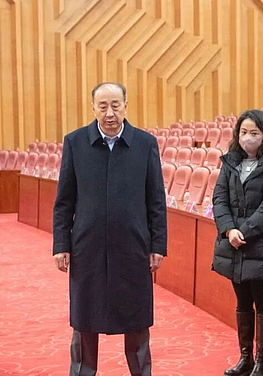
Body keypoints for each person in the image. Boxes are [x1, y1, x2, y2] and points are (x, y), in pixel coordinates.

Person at [52, 82, 167, 376]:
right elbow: (64, 201)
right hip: (87, 247)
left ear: (126, 105)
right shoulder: (76, 142)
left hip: (133, 247)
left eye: (115, 105)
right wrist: (61, 245)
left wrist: (157, 246)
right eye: (102, 106)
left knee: (137, 320)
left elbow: (156, 200)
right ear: (93, 108)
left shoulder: (145, 144)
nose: (109, 113)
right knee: (84, 321)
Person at [212, 109, 263, 376]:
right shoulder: (231, 162)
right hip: (233, 243)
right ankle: (245, 358)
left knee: (262, 301)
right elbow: (219, 198)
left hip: (260, 244)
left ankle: (261, 362)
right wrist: (228, 230)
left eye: (254, 133)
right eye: (243, 132)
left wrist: (243, 232)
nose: (248, 138)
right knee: (242, 302)